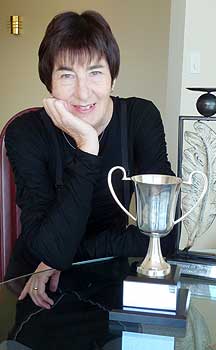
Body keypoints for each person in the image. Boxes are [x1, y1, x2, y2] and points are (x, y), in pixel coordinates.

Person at [5, 10, 177, 309]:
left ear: (113, 78)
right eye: (67, 75)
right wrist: (87, 145)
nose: (83, 92)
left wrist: (68, 252)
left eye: (95, 72)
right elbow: (43, 247)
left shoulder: (139, 118)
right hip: (38, 283)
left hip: (107, 274)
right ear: (49, 83)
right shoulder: (26, 132)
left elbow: (164, 235)